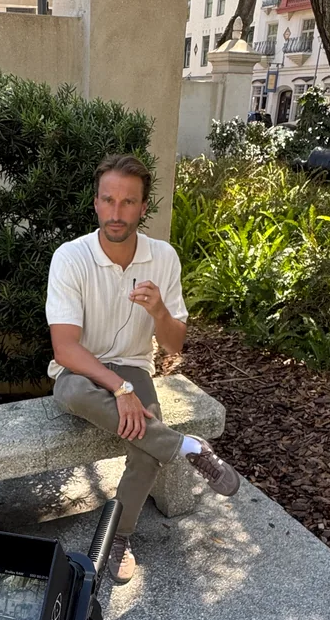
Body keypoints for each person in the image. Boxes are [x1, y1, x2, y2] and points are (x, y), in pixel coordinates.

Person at [46, 154, 240, 583]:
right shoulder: (70, 258)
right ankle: (187, 447)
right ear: (95, 203)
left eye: (128, 202)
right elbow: (64, 349)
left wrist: (158, 312)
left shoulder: (163, 258)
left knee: (143, 444)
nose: (116, 213)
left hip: (134, 364)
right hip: (85, 370)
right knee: (72, 392)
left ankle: (119, 537)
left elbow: (174, 345)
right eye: (108, 200)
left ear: (143, 206)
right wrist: (119, 389)